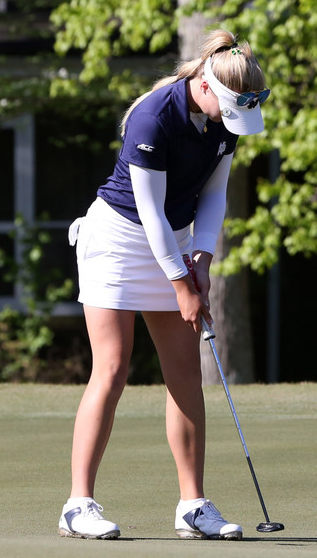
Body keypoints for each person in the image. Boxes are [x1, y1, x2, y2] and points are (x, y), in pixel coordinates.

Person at [58, 28, 270, 541]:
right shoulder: (153, 117)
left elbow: (214, 196)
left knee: (184, 374)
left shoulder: (224, 123)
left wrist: (202, 256)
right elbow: (149, 211)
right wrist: (181, 282)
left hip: (171, 240)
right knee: (111, 369)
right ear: (204, 87)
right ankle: (77, 506)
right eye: (227, 109)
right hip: (116, 240)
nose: (230, 122)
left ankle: (193, 506)